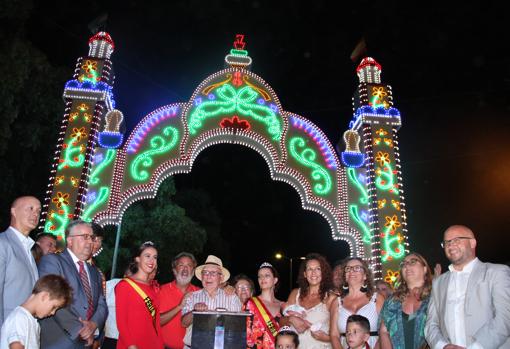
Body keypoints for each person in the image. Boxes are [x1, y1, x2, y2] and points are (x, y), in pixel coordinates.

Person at [425, 225, 510, 348]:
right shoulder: (438, 283)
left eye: (457, 240)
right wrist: (442, 346)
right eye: (446, 242)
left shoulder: (496, 273)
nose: (450, 245)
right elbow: (431, 324)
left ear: (472, 243)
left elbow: (505, 318)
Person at [38, 220, 108, 348]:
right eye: (85, 237)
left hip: (87, 342)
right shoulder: (52, 261)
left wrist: (93, 325)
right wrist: (80, 330)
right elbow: (51, 299)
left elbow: (102, 304)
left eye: (92, 238)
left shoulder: (95, 272)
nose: (90, 242)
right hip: (58, 341)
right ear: (70, 241)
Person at [181, 255, 242, 349]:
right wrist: (195, 312)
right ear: (201, 276)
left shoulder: (232, 298)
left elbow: (237, 328)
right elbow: (183, 323)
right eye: (205, 273)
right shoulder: (191, 296)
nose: (208, 276)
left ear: (221, 278)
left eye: (213, 273)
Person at [0, 196, 41, 334]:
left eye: (38, 210)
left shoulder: (29, 249)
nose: (35, 214)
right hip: (8, 330)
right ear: (14, 211)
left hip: (27, 329)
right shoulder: (3, 243)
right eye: (30, 208)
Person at [0, 274, 72, 349]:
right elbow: (16, 346)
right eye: (53, 307)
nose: (53, 313)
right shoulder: (19, 318)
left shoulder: (31, 321)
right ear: (44, 296)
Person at [116, 241, 164, 349]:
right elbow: (121, 323)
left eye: (155, 257)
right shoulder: (125, 285)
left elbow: (156, 323)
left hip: (153, 344)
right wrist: (131, 346)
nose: (152, 261)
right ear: (137, 259)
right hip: (131, 345)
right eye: (147, 256)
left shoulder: (153, 288)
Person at [379, 253, 432, 349]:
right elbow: (383, 332)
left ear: (424, 269)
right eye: (404, 264)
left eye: (413, 262)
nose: (407, 265)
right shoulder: (392, 301)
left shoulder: (435, 296)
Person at [281, 253, 335, 348]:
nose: (313, 273)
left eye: (318, 269)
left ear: (324, 273)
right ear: (305, 274)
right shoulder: (295, 294)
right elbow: (281, 322)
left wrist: (326, 338)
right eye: (310, 269)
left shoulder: (331, 297)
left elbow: (340, 334)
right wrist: (290, 319)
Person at [330, 257, 384, 349]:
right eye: (348, 269)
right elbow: (334, 334)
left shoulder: (377, 299)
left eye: (357, 268)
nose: (352, 271)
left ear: (365, 275)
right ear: (345, 276)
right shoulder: (337, 302)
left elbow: (384, 331)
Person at [159, 252, 200, 349]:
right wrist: (179, 306)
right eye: (181, 265)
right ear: (174, 270)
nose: (185, 269)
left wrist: (228, 288)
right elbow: (156, 321)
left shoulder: (199, 292)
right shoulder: (161, 290)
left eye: (189, 266)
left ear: (193, 271)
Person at [245, 262, 283, 348]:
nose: (262, 278)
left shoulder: (283, 305)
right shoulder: (251, 303)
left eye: (267, 275)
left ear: (275, 280)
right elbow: (245, 333)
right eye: (260, 276)